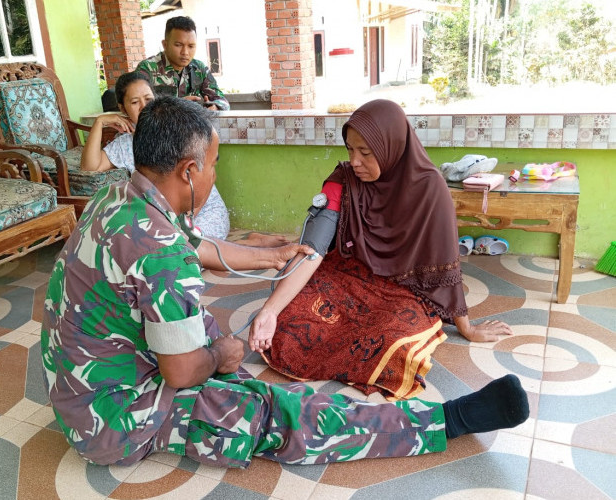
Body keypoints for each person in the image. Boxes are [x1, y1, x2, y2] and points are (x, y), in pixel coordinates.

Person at [41, 96, 529, 468]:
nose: (214, 174)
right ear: (189, 171)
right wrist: (219, 358)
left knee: (209, 327)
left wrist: (269, 256)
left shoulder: (121, 197)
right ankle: (450, 421)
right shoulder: (158, 249)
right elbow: (181, 372)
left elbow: (199, 247)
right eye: (214, 165)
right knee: (271, 411)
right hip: (113, 420)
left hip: (80, 384)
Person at [248, 99, 514, 400]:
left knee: (393, 343)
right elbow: (312, 249)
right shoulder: (343, 181)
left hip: (402, 291)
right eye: (350, 150)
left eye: (365, 152)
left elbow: (446, 265)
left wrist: (466, 327)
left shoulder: (430, 189)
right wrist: (269, 312)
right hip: (348, 279)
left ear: (392, 146)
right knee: (286, 318)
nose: (355, 161)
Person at [79, 71, 268, 242]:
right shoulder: (125, 144)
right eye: (135, 102)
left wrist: (183, 224)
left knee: (179, 251)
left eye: (148, 99)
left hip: (201, 210)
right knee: (158, 251)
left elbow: (201, 184)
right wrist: (100, 122)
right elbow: (90, 166)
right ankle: (245, 243)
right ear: (123, 108)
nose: (144, 106)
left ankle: (248, 243)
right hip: (166, 218)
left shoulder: (175, 131)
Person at [136, 16, 230, 111]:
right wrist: (176, 106)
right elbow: (138, 108)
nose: (185, 52)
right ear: (165, 45)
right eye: (178, 45)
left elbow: (222, 101)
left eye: (191, 46)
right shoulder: (147, 68)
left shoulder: (199, 69)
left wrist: (215, 107)